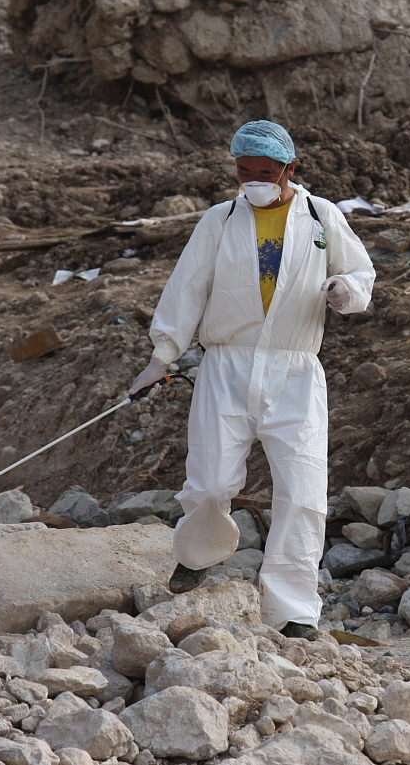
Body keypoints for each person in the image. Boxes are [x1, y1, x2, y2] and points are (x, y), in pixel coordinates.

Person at [130, 120, 375, 640]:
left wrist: (343, 291)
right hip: (227, 366)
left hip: (295, 372)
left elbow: (362, 275)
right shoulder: (219, 221)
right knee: (212, 481)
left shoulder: (320, 215)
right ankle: (196, 553)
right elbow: (187, 287)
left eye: (266, 172)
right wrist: (163, 354)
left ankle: (293, 611)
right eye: (246, 171)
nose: (255, 180)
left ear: (290, 169)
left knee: (302, 489)